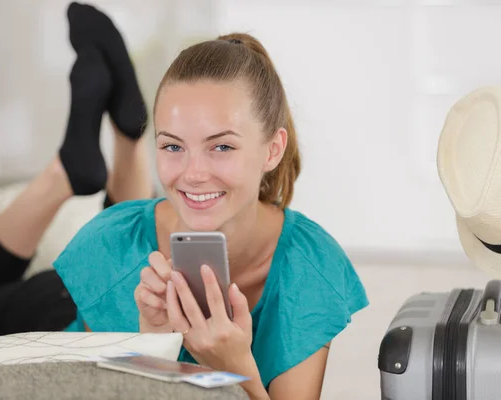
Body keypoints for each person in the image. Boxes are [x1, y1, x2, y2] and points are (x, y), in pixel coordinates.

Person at [53, 11, 369, 400]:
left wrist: (234, 367)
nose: (193, 174)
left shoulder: (310, 269)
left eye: (221, 146)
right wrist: (153, 349)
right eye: (172, 146)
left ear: (273, 150)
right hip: (44, 310)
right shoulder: (108, 247)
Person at [0, 2, 153, 341]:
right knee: (129, 265)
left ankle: (95, 156)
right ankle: (102, 151)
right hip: (87, 293)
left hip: (74, 306)